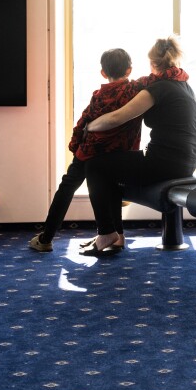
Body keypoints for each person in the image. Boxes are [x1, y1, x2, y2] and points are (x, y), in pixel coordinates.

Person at [80, 35, 196, 256]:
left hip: (163, 165)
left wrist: (88, 126)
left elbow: (117, 118)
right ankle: (117, 236)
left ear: (153, 63)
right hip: (185, 162)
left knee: (95, 166)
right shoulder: (184, 85)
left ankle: (106, 232)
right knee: (112, 171)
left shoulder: (159, 88)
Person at [28, 48, 151, 253]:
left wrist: (75, 147)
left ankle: (46, 238)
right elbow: (157, 78)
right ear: (129, 70)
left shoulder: (99, 96)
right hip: (118, 154)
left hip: (89, 152)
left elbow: (83, 123)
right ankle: (118, 237)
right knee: (112, 189)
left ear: (103, 73)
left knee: (66, 188)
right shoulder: (136, 91)